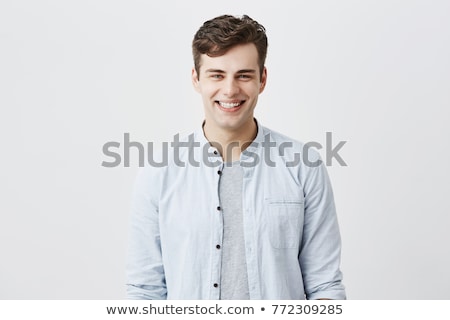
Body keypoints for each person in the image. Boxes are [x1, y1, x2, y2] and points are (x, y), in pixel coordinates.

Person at [126, 14, 346, 300]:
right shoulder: (158, 172)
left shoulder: (304, 166)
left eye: (243, 75)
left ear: (262, 79)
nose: (230, 90)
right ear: (196, 79)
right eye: (216, 75)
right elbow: (145, 291)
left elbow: (324, 286)